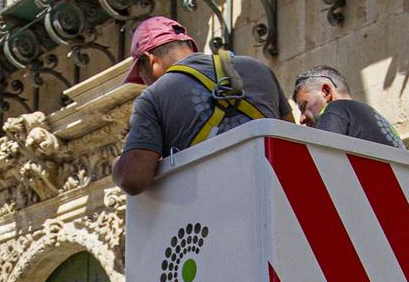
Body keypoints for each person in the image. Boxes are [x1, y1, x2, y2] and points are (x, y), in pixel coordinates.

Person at [112, 16, 285, 194]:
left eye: (140, 74)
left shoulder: (154, 96)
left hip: (217, 207)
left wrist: (117, 165)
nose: (144, 81)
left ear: (150, 60)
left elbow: (132, 179)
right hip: (275, 199)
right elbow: (293, 138)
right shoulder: (259, 69)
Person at [291, 66, 403, 147]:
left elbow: (324, 158)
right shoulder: (372, 117)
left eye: (304, 106)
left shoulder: (335, 108)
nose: (302, 119)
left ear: (326, 92)